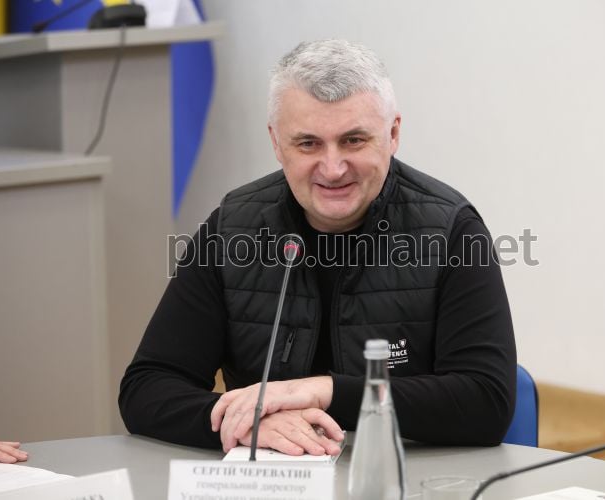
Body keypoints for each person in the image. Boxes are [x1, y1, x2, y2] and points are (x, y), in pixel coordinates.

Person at [119, 39, 517, 455]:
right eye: (308, 143)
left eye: (354, 140)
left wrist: (323, 392)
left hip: (403, 477)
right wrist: (243, 425)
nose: (333, 168)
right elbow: (146, 388)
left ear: (393, 133)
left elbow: (485, 401)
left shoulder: (453, 231)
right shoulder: (233, 228)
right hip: (272, 479)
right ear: (276, 143)